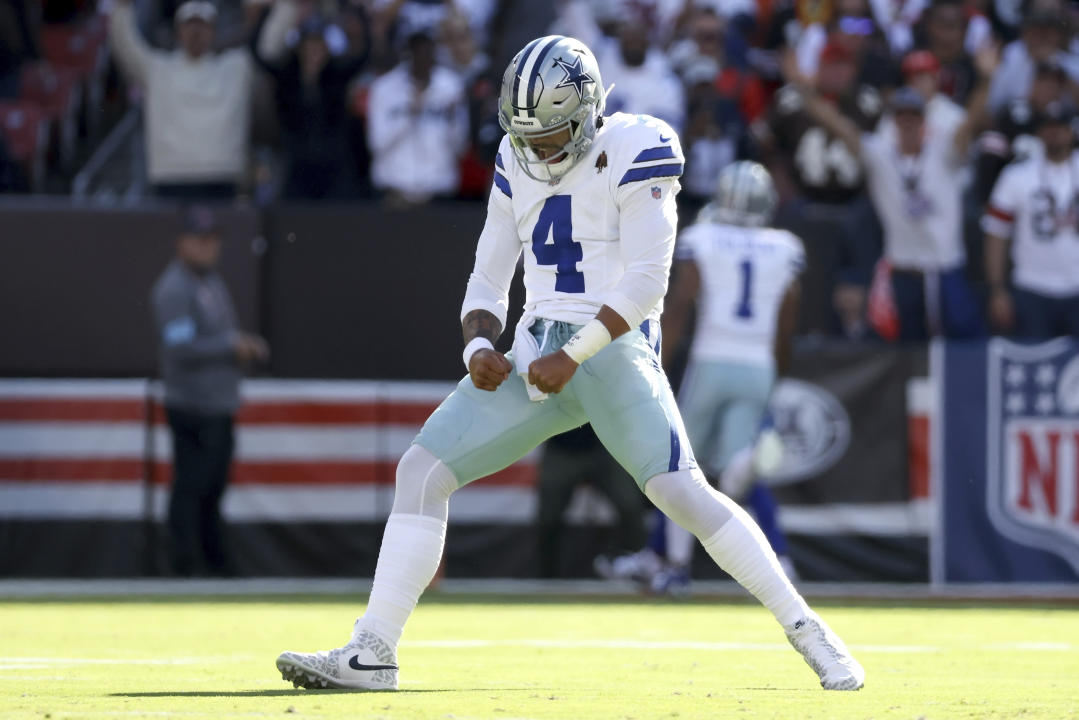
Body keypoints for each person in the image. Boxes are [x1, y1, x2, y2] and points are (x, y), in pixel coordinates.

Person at [275, 34, 864, 693]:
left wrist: (574, 353)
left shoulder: (636, 147)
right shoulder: (513, 155)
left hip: (610, 352)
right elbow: (487, 278)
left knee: (679, 492)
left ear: (586, 111)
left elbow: (646, 282)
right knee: (421, 469)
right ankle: (372, 650)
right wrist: (476, 348)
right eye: (526, 134)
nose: (538, 148)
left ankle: (809, 630)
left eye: (553, 133)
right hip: (535, 352)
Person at [656, 161, 805, 593]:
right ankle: (748, 460)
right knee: (734, 478)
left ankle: (676, 568)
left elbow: (681, 305)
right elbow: (786, 325)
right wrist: (773, 373)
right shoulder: (785, 247)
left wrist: (658, 362)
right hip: (757, 364)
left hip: (712, 360)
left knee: (679, 470)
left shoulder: (703, 237)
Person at [796, 43, 997, 340]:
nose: (907, 123)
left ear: (923, 120)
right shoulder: (880, 154)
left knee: (962, 344)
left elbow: (969, 124)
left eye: (913, 116)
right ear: (893, 120)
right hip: (903, 270)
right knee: (902, 351)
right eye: (900, 116)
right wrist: (805, 91)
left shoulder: (943, 151)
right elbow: (839, 127)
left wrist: (987, 80)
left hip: (944, 267)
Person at [152, 205, 269, 575]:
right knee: (191, 486)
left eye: (212, 240)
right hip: (192, 405)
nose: (207, 248)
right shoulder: (174, 289)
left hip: (217, 404)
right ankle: (184, 562)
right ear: (182, 243)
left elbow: (215, 335)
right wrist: (230, 348)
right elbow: (180, 348)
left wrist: (237, 343)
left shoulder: (211, 283)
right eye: (199, 240)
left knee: (213, 487)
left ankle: (211, 560)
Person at [109, 0, 297, 198]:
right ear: (178, 31)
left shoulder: (236, 67)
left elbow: (270, 46)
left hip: (222, 177)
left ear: (213, 31)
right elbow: (124, 44)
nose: (196, 32)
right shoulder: (157, 69)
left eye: (202, 26)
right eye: (189, 25)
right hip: (170, 179)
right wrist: (121, 8)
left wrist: (287, 6)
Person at [984, 100, 1079, 338]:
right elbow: (996, 235)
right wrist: (997, 290)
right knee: (1035, 363)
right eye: (1048, 126)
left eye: (1060, 126)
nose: (1054, 132)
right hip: (1032, 288)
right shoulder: (1017, 175)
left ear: (1071, 131)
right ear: (1039, 132)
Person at [366, 28, 469, 204]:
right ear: (408, 55)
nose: (423, 59)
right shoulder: (384, 88)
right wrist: (411, 111)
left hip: (439, 193)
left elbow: (461, 147)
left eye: (428, 53)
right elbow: (377, 143)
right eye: (418, 53)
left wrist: (453, 120)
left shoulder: (451, 87)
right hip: (394, 192)